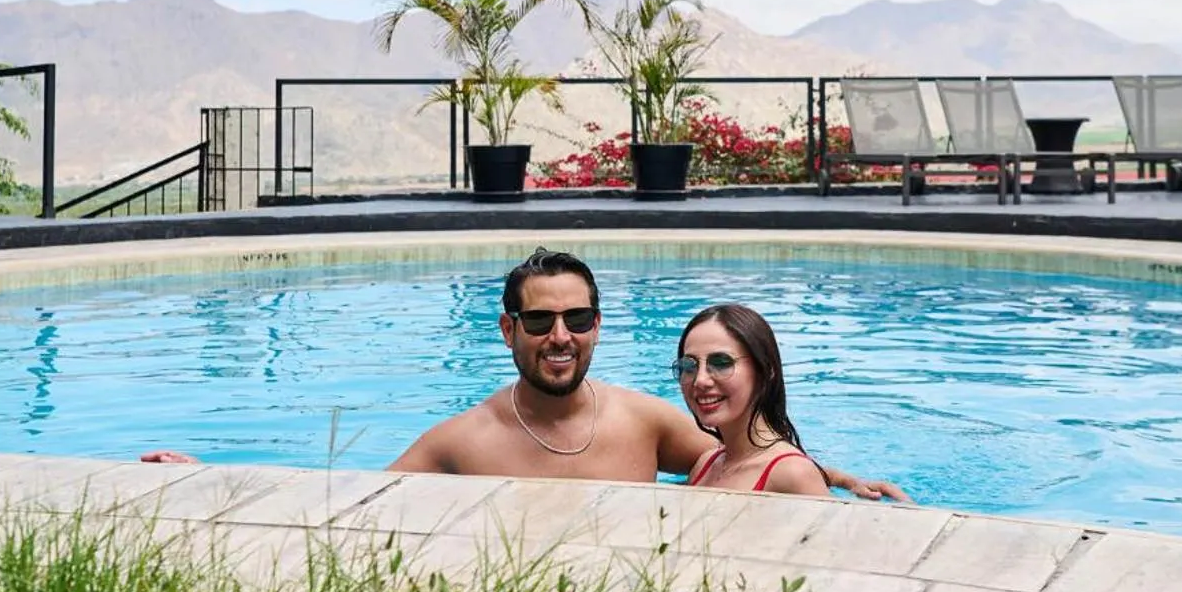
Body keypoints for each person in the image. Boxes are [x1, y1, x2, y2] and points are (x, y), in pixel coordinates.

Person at [142, 247, 905, 501]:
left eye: (577, 318)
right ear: (509, 329)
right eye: (539, 322)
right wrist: (214, 476)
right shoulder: (463, 440)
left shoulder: (644, 420)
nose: (560, 337)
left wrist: (835, 476)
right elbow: (352, 498)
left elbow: (746, 455)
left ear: (598, 326)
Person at [675, 303, 829, 497]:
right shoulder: (705, 465)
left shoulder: (793, 473)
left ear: (765, 371)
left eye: (721, 363)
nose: (700, 380)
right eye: (689, 366)